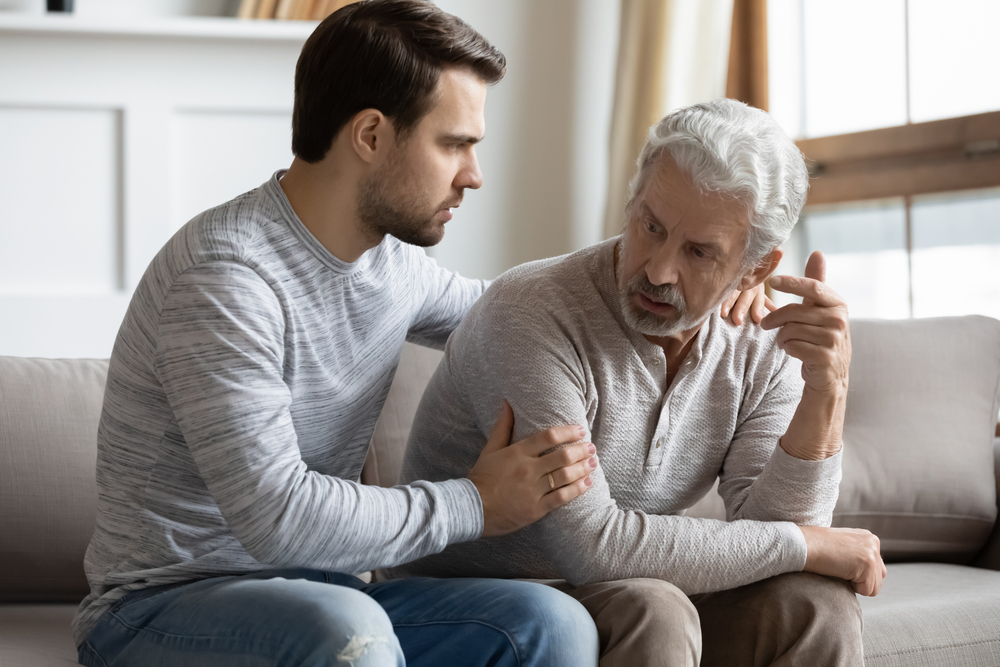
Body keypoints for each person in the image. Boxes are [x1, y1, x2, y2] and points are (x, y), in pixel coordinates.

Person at [71, 2, 603, 665]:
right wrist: (475, 502)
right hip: (158, 609)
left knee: (551, 623)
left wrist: (690, 276)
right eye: (454, 143)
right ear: (372, 136)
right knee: (347, 627)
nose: (474, 174)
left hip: (329, 595)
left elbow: (524, 314)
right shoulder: (226, 278)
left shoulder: (395, 267)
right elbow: (277, 516)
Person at [393, 99, 887, 667]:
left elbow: (773, 538)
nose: (658, 270)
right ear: (631, 201)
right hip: (463, 606)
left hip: (613, 594)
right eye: (650, 226)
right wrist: (805, 544)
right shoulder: (533, 314)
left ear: (753, 268)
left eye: (699, 252)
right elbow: (591, 546)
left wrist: (827, 391)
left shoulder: (759, 341)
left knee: (814, 603)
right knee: (656, 607)